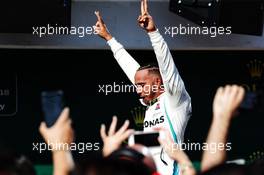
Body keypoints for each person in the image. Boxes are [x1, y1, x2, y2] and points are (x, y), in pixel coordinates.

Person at [94, 0, 192, 174]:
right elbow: (132, 70)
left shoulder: (175, 99)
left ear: (158, 83)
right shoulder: (149, 102)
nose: (137, 89)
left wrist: (153, 33)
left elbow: (167, 66)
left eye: (141, 85)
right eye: (136, 85)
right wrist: (109, 39)